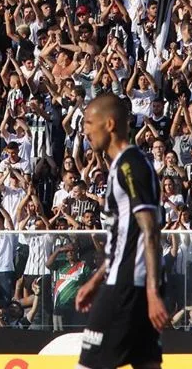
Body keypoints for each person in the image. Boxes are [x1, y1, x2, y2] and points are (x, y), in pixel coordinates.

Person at [75, 93, 167, 369]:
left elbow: (149, 230)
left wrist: (151, 291)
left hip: (129, 284)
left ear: (110, 124)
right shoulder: (122, 166)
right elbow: (124, 238)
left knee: (88, 365)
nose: (86, 131)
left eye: (89, 123)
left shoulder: (130, 164)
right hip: (131, 280)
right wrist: (96, 279)